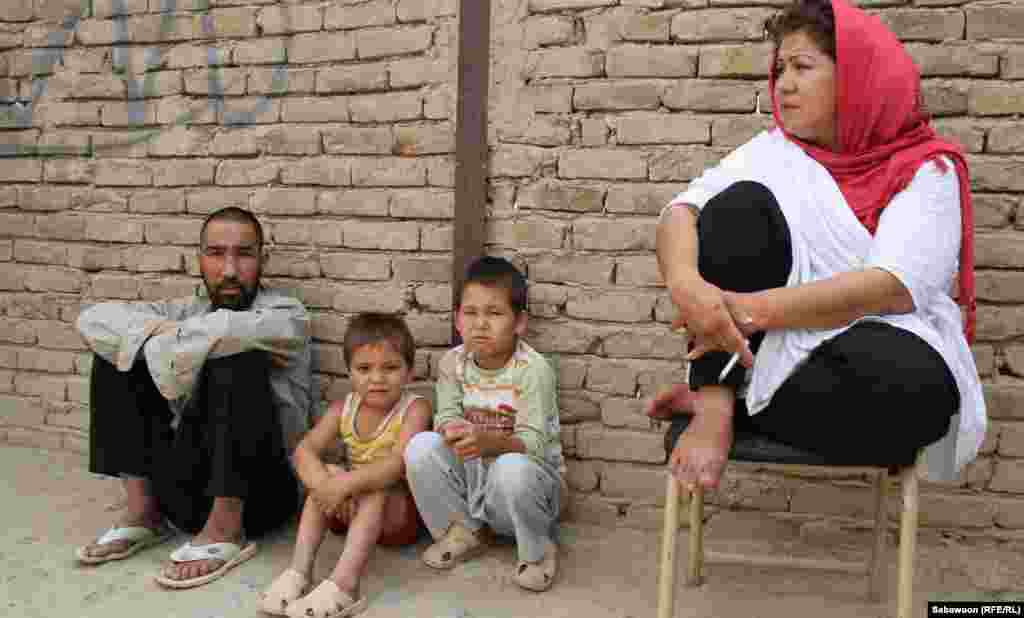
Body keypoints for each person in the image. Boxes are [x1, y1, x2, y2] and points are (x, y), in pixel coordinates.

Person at [649, 0, 986, 489]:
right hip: (764, 343)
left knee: (917, 394)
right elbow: (680, 213)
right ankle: (715, 404)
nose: (783, 83)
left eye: (803, 67)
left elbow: (889, 289)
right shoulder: (774, 153)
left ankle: (736, 400)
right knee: (736, 208)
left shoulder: (927, 170)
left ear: (857, 77)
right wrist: (686, 287)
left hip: (861, 346)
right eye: (780, 68)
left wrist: (748, 310)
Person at [75, 206, 313, 589]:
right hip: (185, 488)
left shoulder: (287, 313)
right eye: (217, 254)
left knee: (236, 354)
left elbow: (232, 332)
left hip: (261, 491)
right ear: (198, 258)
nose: (230, 270)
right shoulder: (183, 309)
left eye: (244, 254)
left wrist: (168, 337)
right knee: (117, 353)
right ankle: (144, 514)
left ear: (262, 260)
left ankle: (226, 529)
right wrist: (170, 334)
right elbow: (94, 320)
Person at [404, 256, 567, 592]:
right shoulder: (453, 362)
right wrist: (450, 429)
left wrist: (489, 442)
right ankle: (463, 530)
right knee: (420, 447)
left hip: (528, 484)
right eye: (470, 313)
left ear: (519, 322)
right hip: (476, 474)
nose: (480, 324)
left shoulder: (532, 370)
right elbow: (446, 414)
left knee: (511, 468)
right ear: (457, 320)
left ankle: (538, 549)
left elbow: (534, 445)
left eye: (494, 314)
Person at [258, 313, 431, 618]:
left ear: (409, 372)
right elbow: (304, 450)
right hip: (347, 508)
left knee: (374, 488)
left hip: (396, 518)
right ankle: (298, 573)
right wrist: (327, 484)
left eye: (390, 368)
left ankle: (345, 584)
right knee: (328, 472)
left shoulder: (414, 409)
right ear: (349, 372)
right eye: (365, 368)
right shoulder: (343, 408)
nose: (377, 378)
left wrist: (345, 485)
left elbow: (395, 466)